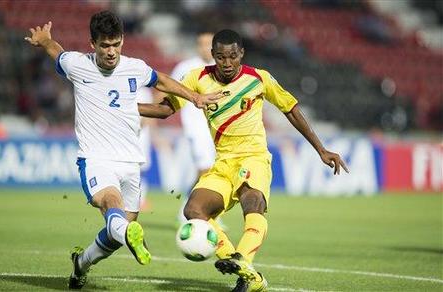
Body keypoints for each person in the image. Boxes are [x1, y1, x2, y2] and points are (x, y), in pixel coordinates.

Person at [138, 29, 349, 292]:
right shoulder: (197, 78)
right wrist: (125, 107)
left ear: (241, 54)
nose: (227, 63)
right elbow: (165, 110)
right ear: (212, 56)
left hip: (254, 158)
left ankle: (242, 259)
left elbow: (290, 109)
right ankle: (245, 271)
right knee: (194, 210)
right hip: (223, 163)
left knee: (253, 201)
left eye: (232, 57)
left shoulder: (258, 78)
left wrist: (321, 149)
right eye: (221, 57)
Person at [24, 11, 221, 290]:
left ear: (123, 41)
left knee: (117, 233)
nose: (111, 52)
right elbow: (58, 52)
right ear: (92, 43)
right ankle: (127, 232)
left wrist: (195, 96)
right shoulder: (78, 65)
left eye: (116, 44)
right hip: (95, 158)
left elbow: (161, 80)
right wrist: (45, 41)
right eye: (105, 45)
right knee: (110, 203)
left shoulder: (135, 67)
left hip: (131, 161)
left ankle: (82, 262)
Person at [170, 32, 217, 224]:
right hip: (196, 127)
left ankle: (205, 212)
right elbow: (169, 88)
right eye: (202, 44)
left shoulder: (222, 67)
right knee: (205, 170)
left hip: (216, 128)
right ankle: (188, 210)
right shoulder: (186, 67)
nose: (205, 48)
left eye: (209, 44)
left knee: (214, 172)